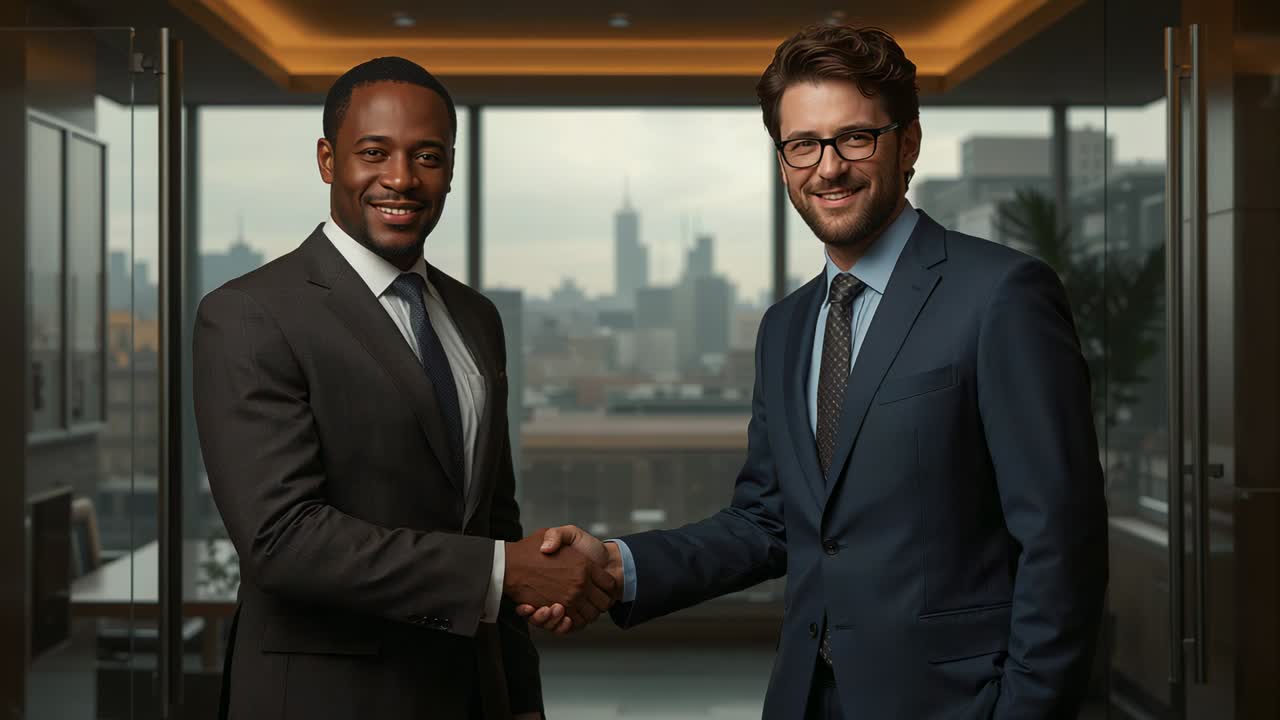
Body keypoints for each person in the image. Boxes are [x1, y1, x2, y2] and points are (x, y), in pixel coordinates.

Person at [522, 24, 1108, 719]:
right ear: (782, 160)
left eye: (854, 137)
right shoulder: (787, 327)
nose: (827, 167)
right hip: (805, 699)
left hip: (955, 703)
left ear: (908, 143)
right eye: (803, 144)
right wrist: (617, 567)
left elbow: (1061, 543)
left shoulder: (1001, 296)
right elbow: (768, 521)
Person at [193, 57, 616, 720]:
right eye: (374, 152)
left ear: (451, 168)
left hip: (470, 693)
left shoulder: (476, 317)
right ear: (328, 160)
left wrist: (521, 697)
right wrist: (507, 572)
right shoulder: (251, 313)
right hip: (322, 698)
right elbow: (282, 539)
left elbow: (491, 520)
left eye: (427, 156)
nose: (401, 178)